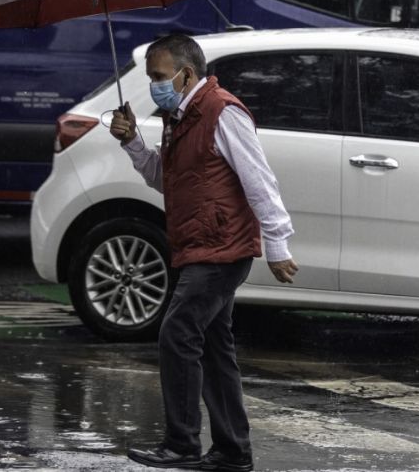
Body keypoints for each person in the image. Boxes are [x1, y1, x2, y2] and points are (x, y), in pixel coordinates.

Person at [109, 34, 299, 472]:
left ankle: (182, 444)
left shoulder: (221, 112)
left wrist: (277, 243)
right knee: (213, 347)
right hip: (198, 246)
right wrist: (133, 141)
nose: (153, 84)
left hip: (221, 249)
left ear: (186, 74)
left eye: (158, 76)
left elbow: (259, 180)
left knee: (177, 333)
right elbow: (166, 178)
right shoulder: (180, 117)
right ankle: (232, 451)